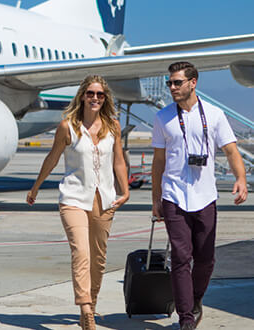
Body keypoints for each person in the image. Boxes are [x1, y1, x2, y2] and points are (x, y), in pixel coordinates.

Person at [26, 75, 129, 330]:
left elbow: (118, 160)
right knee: (81, 252)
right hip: (73, 198)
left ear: (105, 99)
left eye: (100, 94)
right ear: (82, 95)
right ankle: (85, 307)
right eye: (91, 93)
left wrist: (125, 191)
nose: (95, 98)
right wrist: (36, 187)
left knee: (98, 258)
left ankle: (90, 307)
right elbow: (52, 158)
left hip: (104, 199)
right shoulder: (67, 126)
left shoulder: (112, 126)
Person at [151, 61, 248, 330]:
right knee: (181, 258)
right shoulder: (163, 118)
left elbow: (231, 151)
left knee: (205, 259)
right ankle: (185, 318)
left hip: (205, 197)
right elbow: (158, 162)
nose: (171, 87)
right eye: (169, 82)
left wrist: (240, 178)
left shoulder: (215, 115)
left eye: (177, 82)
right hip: (174, 197)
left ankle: (194, 300)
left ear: (193, 83)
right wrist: (156, 197)